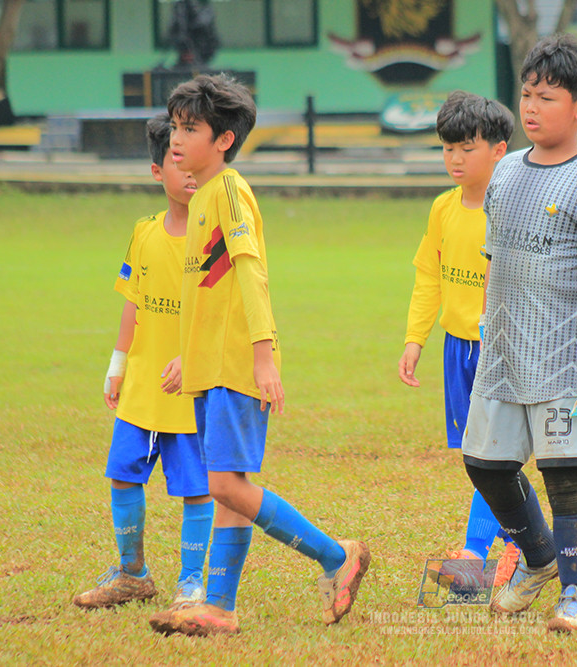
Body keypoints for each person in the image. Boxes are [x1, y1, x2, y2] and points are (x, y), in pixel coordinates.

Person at [149, 74, 370, 636]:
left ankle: (334, 554)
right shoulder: (202, 197)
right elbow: (205, 293)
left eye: (190, 128)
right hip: (211, 368)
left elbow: (251, 273)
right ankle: (219, 609)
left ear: (223, 139)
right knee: (228, 487)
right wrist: (185, 358)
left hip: (236, 367)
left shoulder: (228, 191)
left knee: (225, 486)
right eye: (175, 127)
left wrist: (264, 356)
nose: (177, 139)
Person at [460, 33, 577, 633]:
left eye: (547, 97)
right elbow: (494, 256)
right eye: (527, 95)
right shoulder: (506, 171)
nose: (532, 107)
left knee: (567, 474)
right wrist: (488, 323)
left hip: (567, 355)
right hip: (504, 351)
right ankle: (538, 558)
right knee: (484, 465)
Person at [73, 113, 213, 612]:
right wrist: (118, 364)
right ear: (158, 172)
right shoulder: (144, 233)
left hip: (192, 391)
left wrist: (192, 359)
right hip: (141, 390)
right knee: (123, 475)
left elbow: (223, 314)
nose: (189, 174)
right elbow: (133, 303)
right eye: (177, 162)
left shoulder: (213, 240)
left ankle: (192, 582)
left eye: (193, 161)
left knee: (197, 488)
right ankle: (132, 573)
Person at [397, 91, 521, 589]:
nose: (454, 159)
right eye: (447, 148)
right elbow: (429, 276)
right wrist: (414, 340)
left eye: (466, 148)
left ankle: (478, 550)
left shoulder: (512, 209)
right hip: (457, 348)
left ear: (499, 149)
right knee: (478, 453)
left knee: (494, 452)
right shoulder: (442, 208)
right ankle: (518, 543)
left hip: (503, 348)